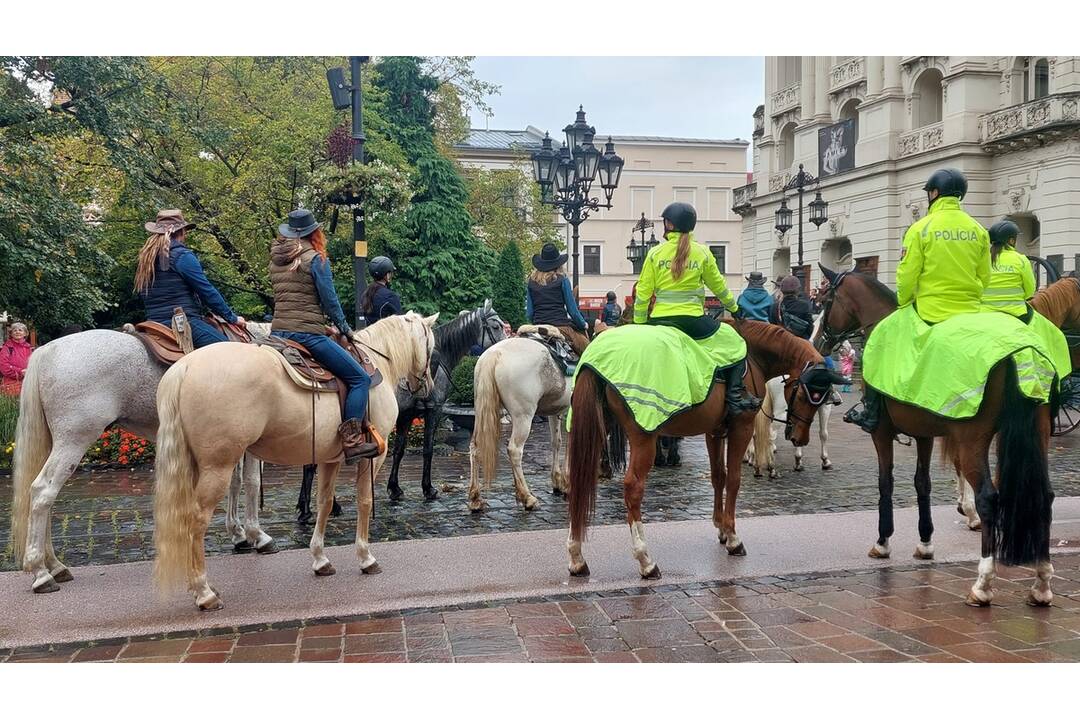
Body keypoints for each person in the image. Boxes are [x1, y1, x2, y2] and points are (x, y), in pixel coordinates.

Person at [845, 168, 990, 432]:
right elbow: (985, 277)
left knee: (878, 344)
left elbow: (907, 276)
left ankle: (873, 410)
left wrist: (903, 301)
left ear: (934, 194)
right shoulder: (979, 230)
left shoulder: (920, 229)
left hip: (930, 309)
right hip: (971, 311)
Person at [269, 209, 379, 462]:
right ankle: (352, 442)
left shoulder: (276, 260)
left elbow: (293, 299)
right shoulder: (316, 259)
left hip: (278, 333)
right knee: (359, 379)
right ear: (313, 232)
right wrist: (343, 327)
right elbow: (329, 301)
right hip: (306, 334)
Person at [634, 202, 758, 413]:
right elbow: (719, 287)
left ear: (669, 224)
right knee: (736, 344)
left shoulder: (655, 254)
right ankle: (734, 396)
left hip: (660, 321)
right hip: (693, 322)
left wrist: (640, 324)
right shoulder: (702, 253)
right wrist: (735, 309)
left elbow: (643, 293)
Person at [134, 209, 246, 347]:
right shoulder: (182, 256)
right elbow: (206, 291)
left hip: (153, 322)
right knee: (232, 351)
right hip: (181, 322)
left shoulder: (146, 259)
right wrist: (232, 318)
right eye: (185, 231)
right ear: (181, 232)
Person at [525, 243, 590, 356]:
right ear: (558, 264)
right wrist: (583, 324)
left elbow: (529, 313)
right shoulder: (562, 280)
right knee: (590, 353)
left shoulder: (531, 282)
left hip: (537, 327)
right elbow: (572, 311)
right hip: (561, 327)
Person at [981, 220, 1035, 318]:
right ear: (1011, 241)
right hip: (1016, 313)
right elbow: (1030, 290)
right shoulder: (1021, 259)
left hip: (985, 313)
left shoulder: (983, 259)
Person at [769, 275, 814, 340]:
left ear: (781, 290)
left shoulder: (774, 307)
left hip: (780, 343)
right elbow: (810, 329)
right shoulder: (804, 306)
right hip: (800, 344)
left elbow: (772, 327)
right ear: (797, 291)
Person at [361, 256, 403, 326]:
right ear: (387, 275)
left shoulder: (365, 294)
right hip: (386, 336)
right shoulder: (390, 297)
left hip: (370, 335)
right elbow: (400, 322)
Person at [1, 322, 33, 396]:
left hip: (27, 384)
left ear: (25, 333)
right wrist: (20, 372)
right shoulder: (7, 348)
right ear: (11, 334)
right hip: (10, 386)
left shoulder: (29, 348)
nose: (17, 332)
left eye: (20, 330)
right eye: (15, 330)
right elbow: (4, 367)